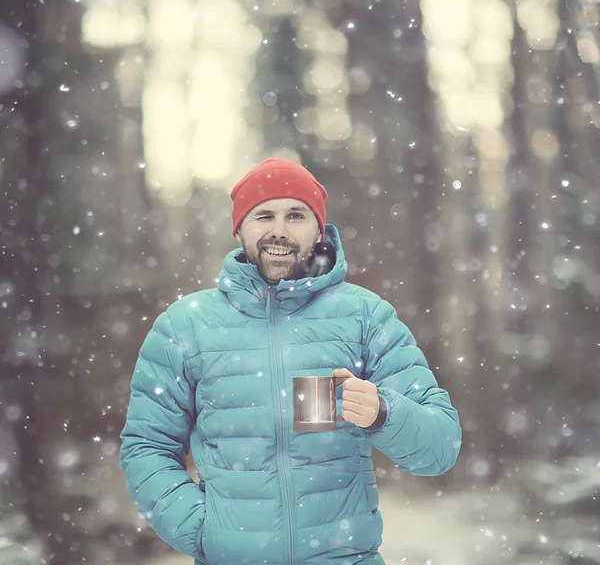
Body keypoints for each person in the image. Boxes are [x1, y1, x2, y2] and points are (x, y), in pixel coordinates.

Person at [119, 158, 462, 565]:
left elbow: (440, 448)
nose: (278, 230)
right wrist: (203, 531)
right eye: (263, 215)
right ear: (239, 228)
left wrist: (383, 412)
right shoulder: (185, 326)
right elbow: (146, 446)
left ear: (319, 230)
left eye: (295, 215)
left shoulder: (365, 316)